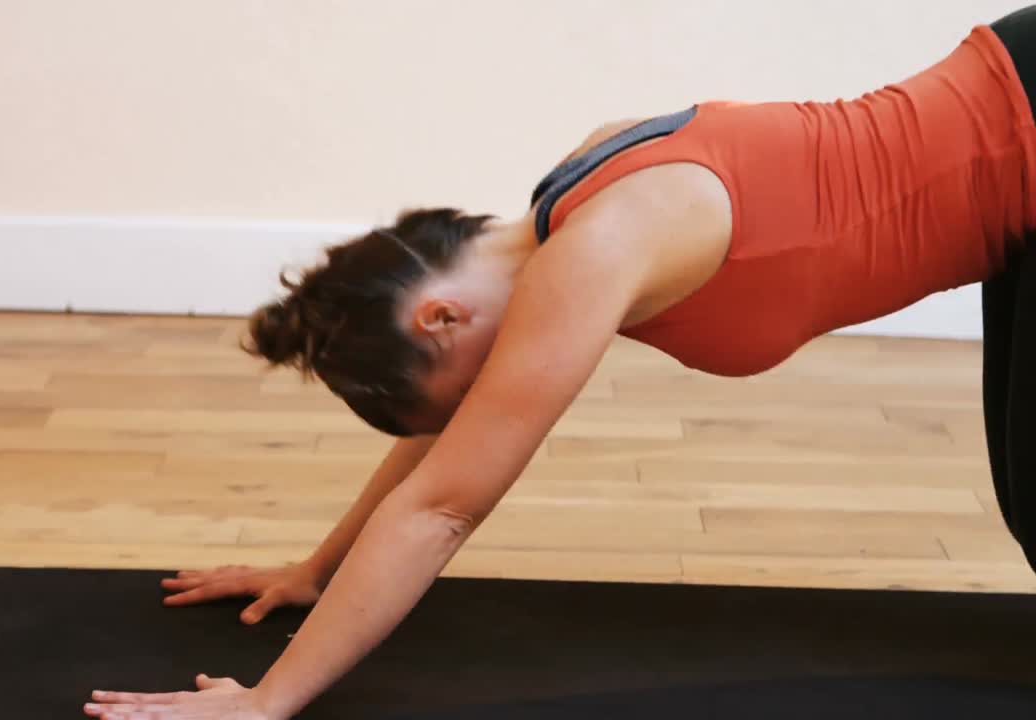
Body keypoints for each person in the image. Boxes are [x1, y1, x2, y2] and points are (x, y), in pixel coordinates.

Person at [83, 6, 1036, 719]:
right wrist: (318, 568)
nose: (480, 410)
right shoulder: (569, 200)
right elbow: (447, 459)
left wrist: (264, 702)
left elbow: (446, 504)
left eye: (455, 394)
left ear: (441, 316)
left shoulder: (597, 247)